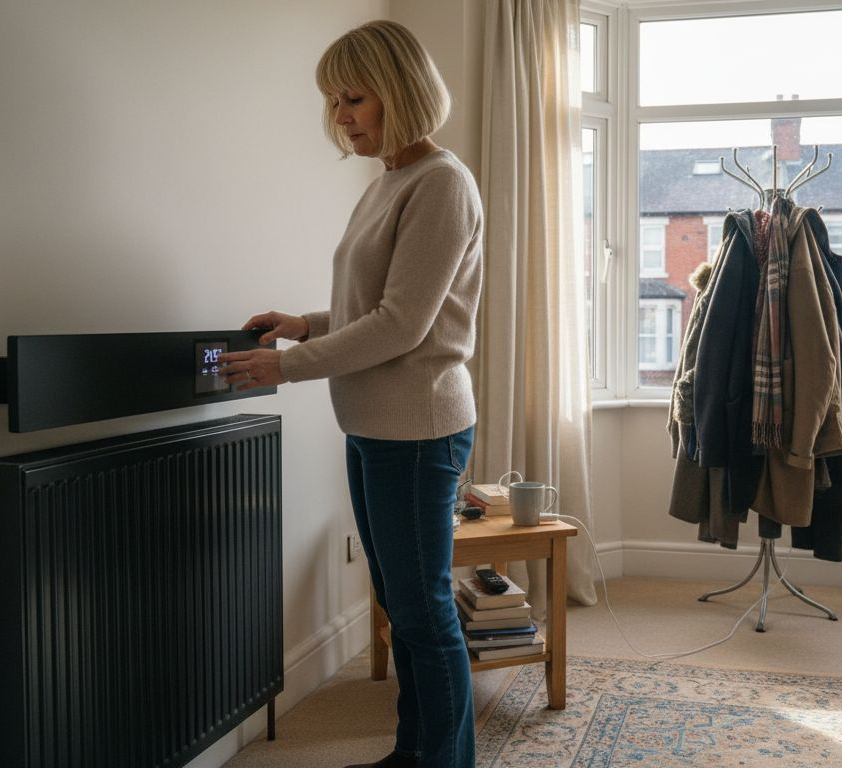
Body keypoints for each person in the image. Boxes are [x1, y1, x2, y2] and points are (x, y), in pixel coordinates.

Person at [218, 20, 482, 768]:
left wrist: (286, 368)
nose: (341, 116)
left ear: (399, 91)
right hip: (374, 424)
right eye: (334, 100)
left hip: (418, 427)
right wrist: (304, 325)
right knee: (404, 608)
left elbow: (403, 325)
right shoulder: (391, 182)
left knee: (425, 613)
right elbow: (379, 305)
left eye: (354, 97)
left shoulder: (441, 183)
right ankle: (413, 753)